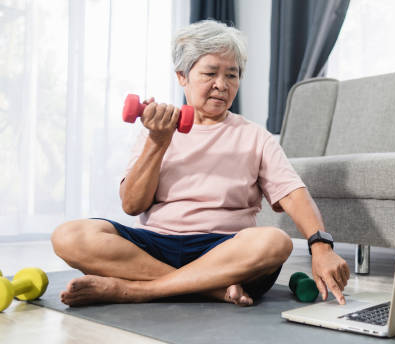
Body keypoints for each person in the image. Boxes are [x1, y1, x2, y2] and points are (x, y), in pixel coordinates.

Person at [51, 20, 349, 307]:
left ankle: (137, 290)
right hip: (156, 246)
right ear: (182, 76)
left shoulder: (255, 136)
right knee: (69, 236)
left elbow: (295, 195)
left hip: (225, 252)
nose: (221, 85)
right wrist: (159, 141)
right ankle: (213, 290)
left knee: (276, 242)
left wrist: (321, 247)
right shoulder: (156, 127)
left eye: (232, 75)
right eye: (210, 73)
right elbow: (132, 205)